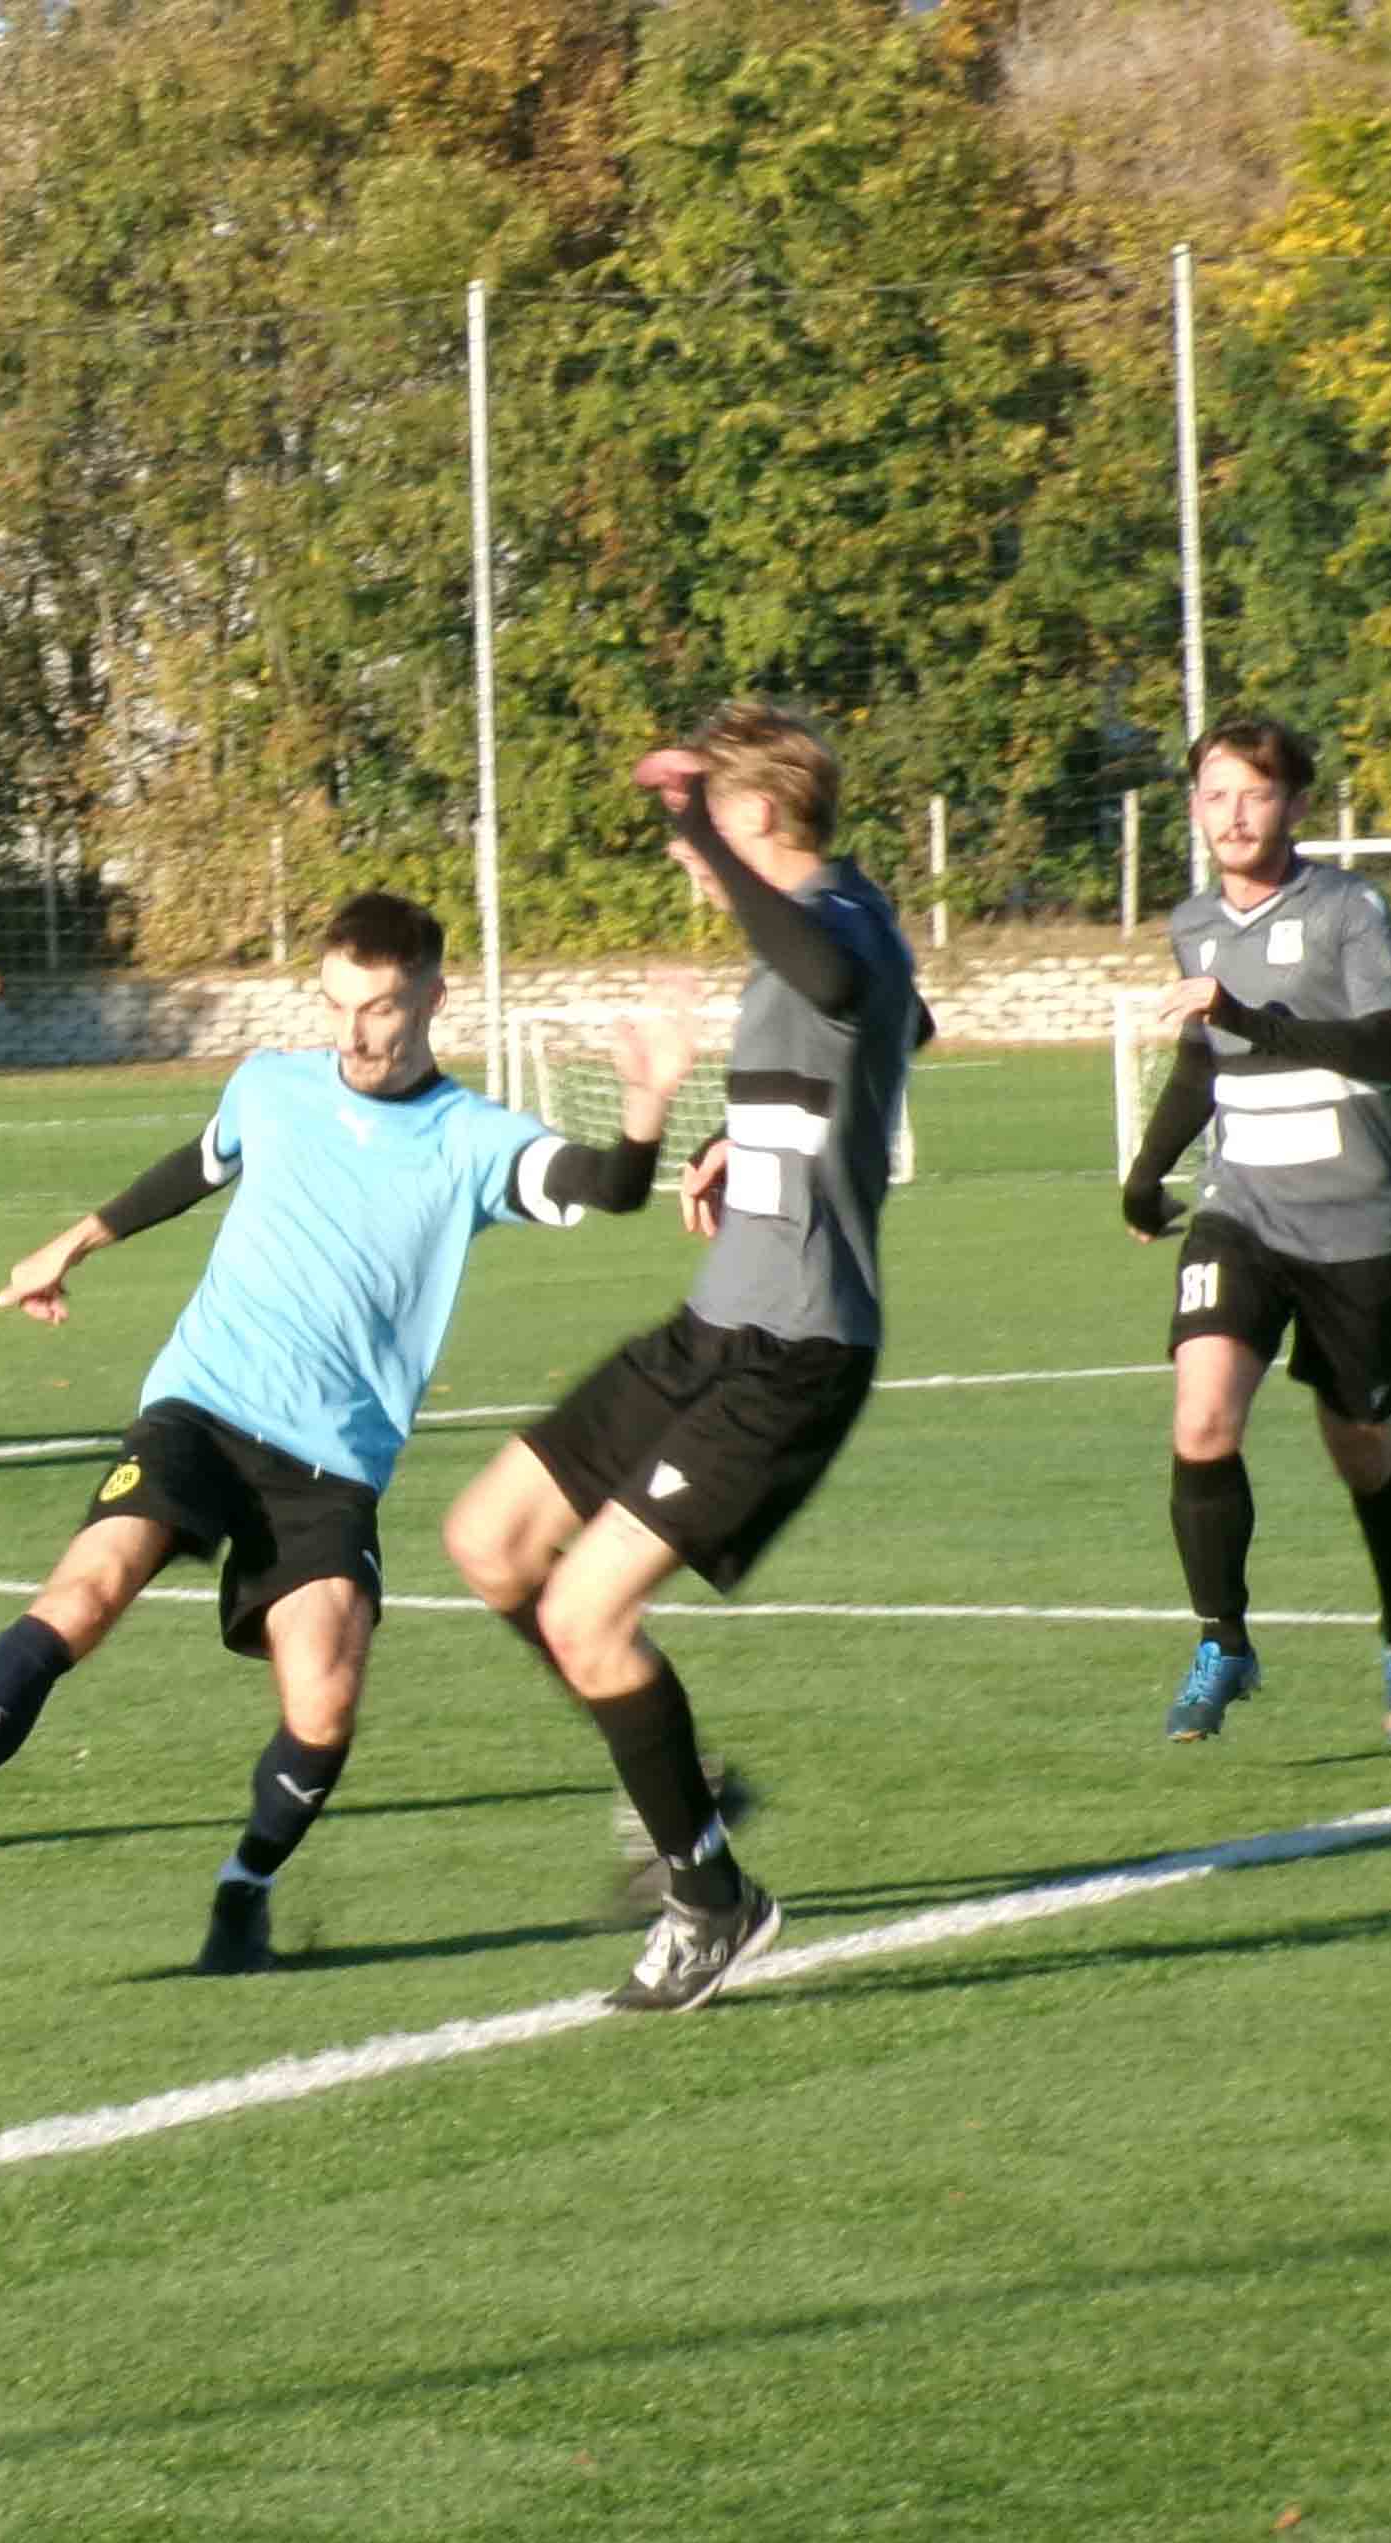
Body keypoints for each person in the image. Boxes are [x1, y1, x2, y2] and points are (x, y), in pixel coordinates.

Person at [0, 892, 682, 1977]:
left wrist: (645, 1110)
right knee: (86, 1592)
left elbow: (608, 1186)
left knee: (324, 1704)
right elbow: (198, 1165)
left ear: (434, 998)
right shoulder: (272, 1086)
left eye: (380, 1009)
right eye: (336, 1005)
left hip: (331, 1464)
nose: (354, 1033)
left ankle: (245, 1889)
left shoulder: (476, 1139)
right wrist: (72, 1244)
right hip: (202, 1403)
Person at [443, 703, 925, 2015]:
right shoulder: (831, 931)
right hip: (713, 1327)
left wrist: (696, 831)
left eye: (704, 819)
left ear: (752, 815)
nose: (680, 849)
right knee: (491, 1541)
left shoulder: (838, 921)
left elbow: (849, 992)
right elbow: (888, 1034)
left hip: (795, 1350)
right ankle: (684, 1786)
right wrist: (734, 1142)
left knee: (585, 1616)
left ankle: (712, 1900)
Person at [1112, 716, 1391, 1751]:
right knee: (1202, 1417)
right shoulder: (1192, 922)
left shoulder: (1349, 909)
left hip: (1355, 1227)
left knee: (1360, 1447)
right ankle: (1224, 1640)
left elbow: (1386, 1050)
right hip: (1241, 1212)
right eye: (1215, 795)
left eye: (1255, 793)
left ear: (1296, 805)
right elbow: (1203, 1060)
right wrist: (1145, 1175)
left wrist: (1247, 1015)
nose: (1234, 814)